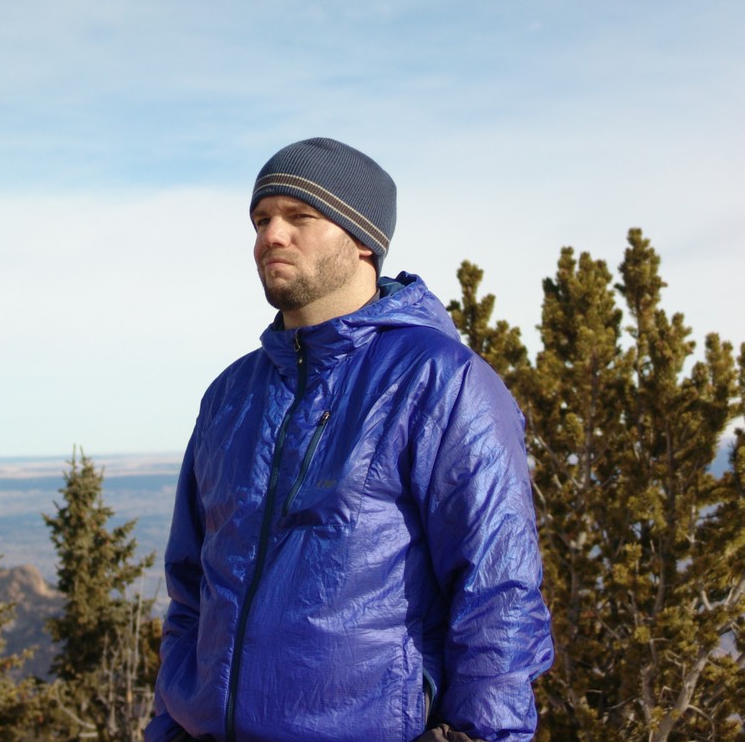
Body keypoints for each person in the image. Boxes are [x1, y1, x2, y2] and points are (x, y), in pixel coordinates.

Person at [145, 138, 553, 742]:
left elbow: (498, 588)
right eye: (261, 220)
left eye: (299, 216)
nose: (270, 236)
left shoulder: (438, 379)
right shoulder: (230, 396)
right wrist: (170, 726)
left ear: (363, 238)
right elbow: (189, 589)